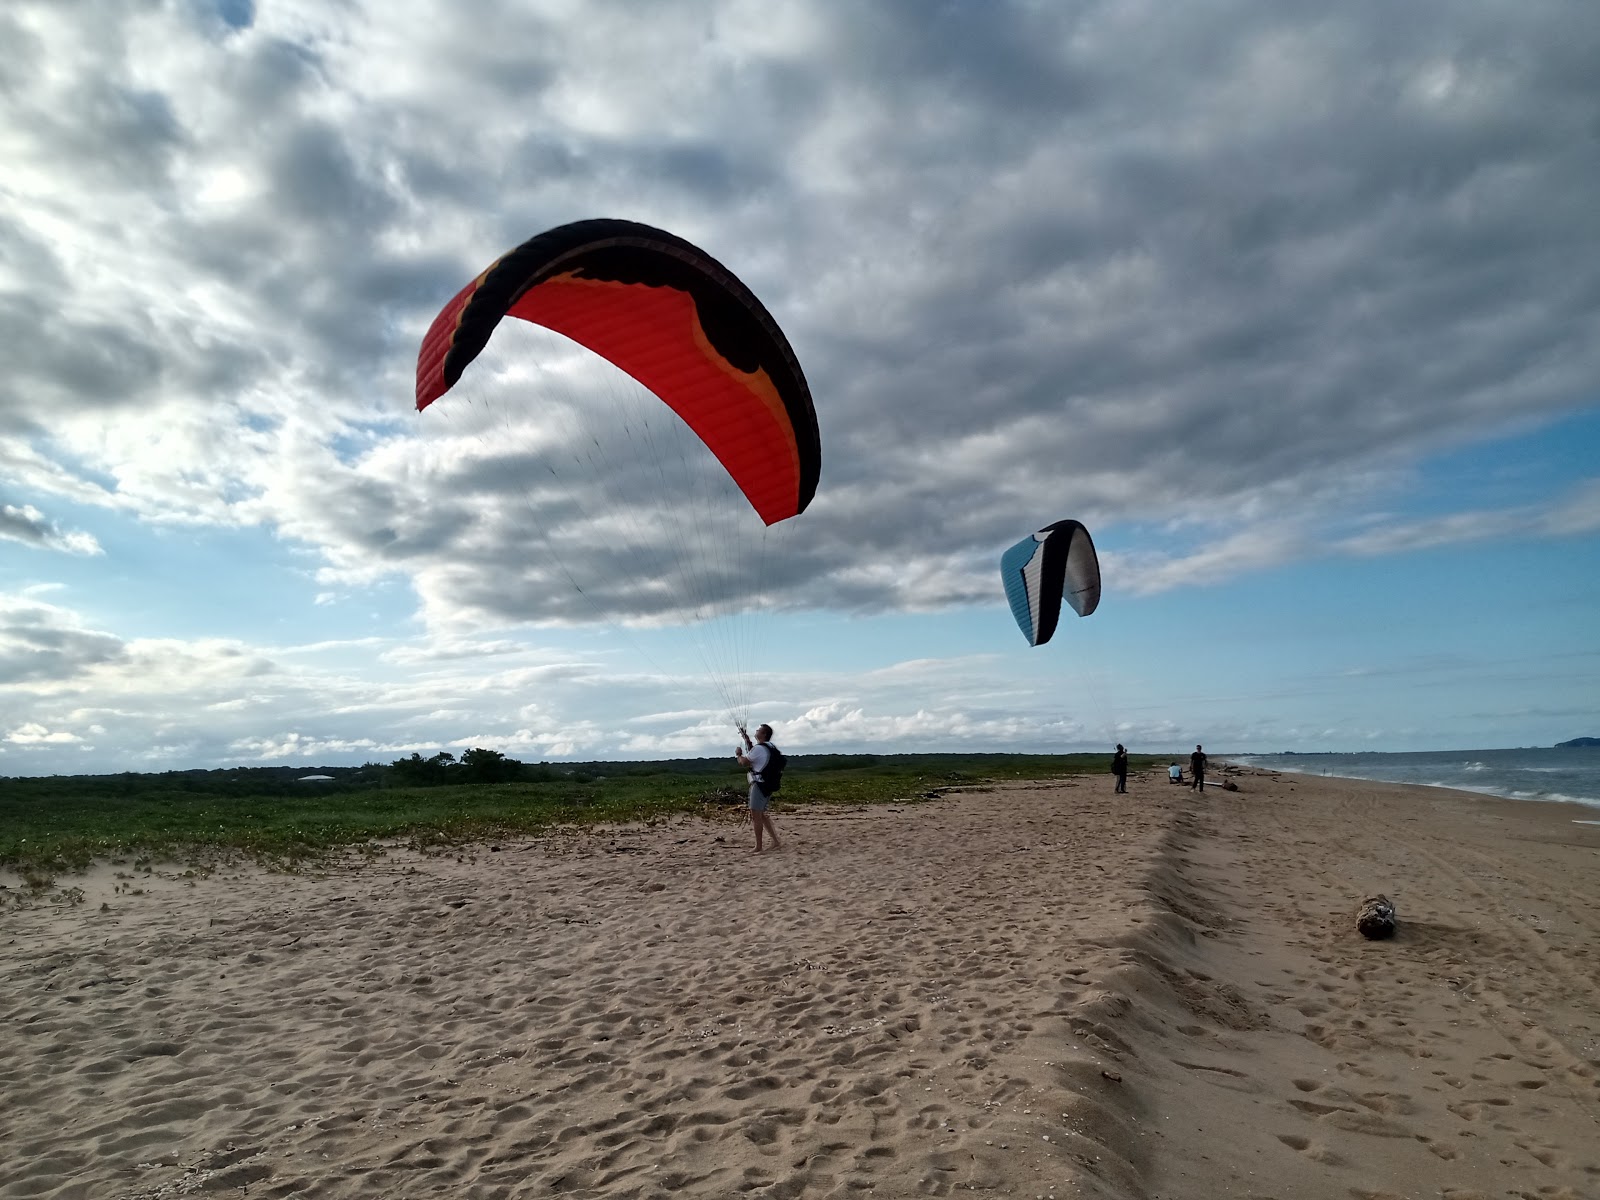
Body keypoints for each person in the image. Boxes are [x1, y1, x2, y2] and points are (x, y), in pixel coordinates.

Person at [735, 723, 782, 852]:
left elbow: (745, 762)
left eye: (759, 730)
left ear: (764, 734)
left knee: (756, 815)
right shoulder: (769, 746)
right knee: (762, 814)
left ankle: (758, 846)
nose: (756, 731)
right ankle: (776, 841)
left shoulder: (759, 748)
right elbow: (755, 754)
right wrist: (747, 739)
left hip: (759, 785)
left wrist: (739, 754)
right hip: (768, 784)